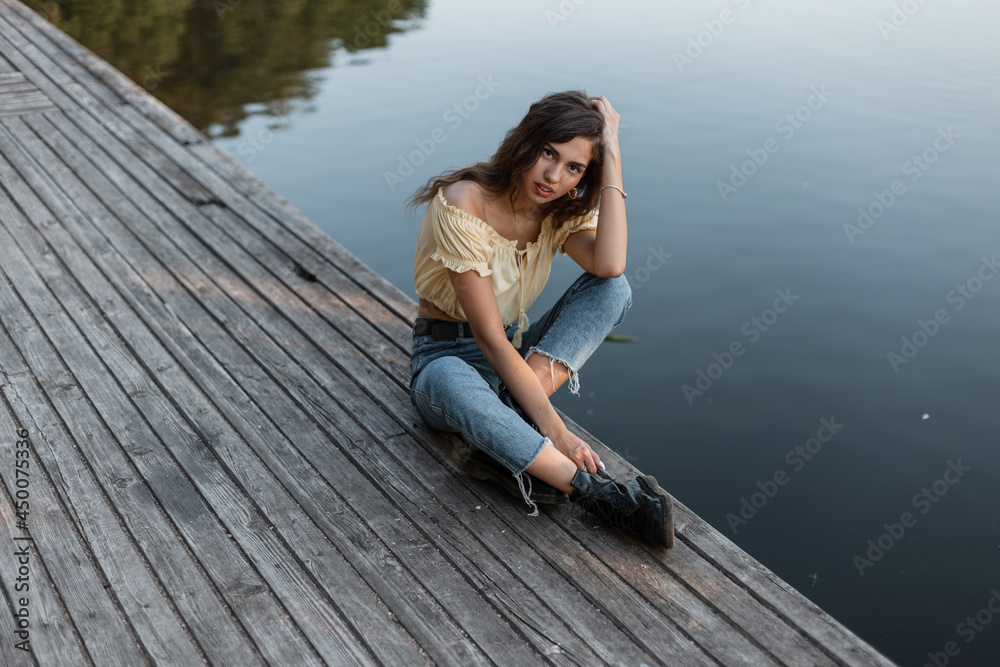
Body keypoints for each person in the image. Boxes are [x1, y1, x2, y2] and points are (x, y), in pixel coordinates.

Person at [407, 91, 673, 548]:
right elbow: (489, 339)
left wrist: (612, 155)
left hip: (516, 360)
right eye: (549, 153)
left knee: (614, 288)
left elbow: (610, 265)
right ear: (526, 142)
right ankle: (601, 496)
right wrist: (559, 433)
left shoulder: (558, 210)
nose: (554, 176)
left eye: (574, 167)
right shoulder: (463, 203)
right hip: (446, 355)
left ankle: (504, 429)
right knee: (451, 378)